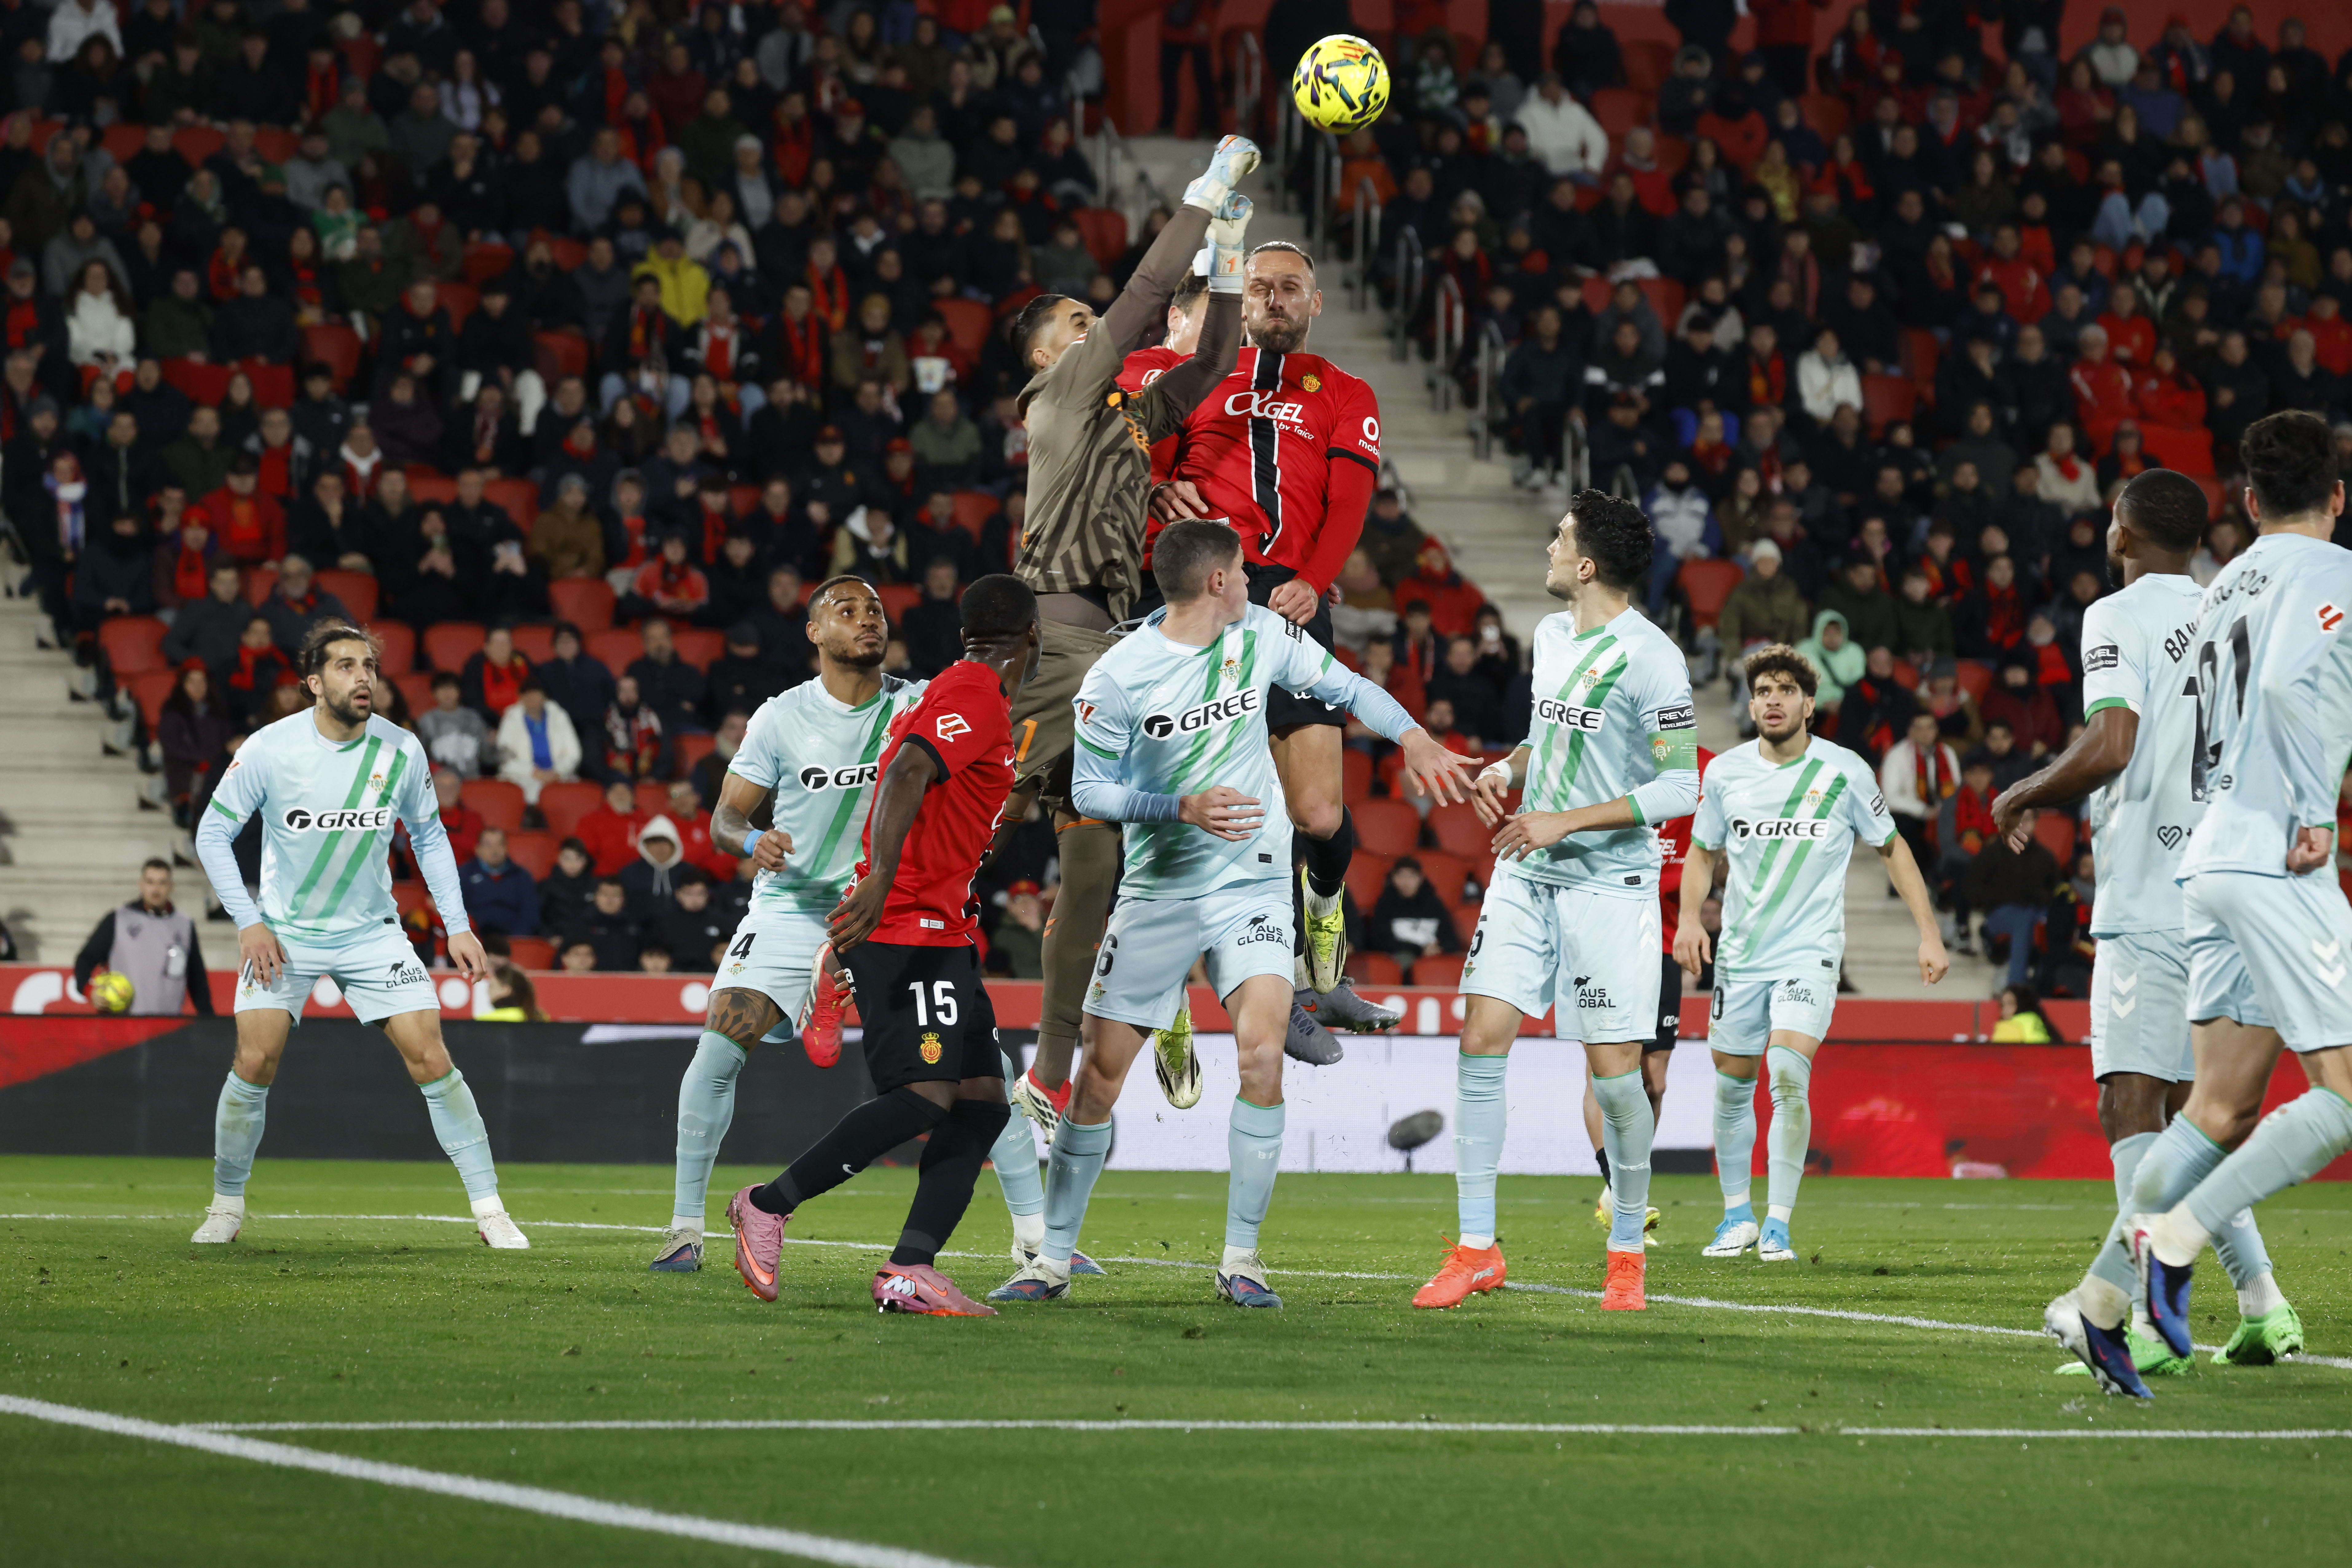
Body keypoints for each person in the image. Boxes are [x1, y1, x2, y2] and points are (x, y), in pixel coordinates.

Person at [989, 521, 1475, 1307]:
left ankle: (1241, 1260)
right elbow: (1089, 794)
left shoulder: (1262, 636)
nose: (1253, 580)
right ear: (1216, 581)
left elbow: (1348, 689)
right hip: (1157, 892)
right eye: (1243, 571)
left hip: (1250, 888)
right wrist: (1176, 806)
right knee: (1097, 1085)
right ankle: (1049, 1261)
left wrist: (1413, 738)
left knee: (1258, 1058)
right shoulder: (1119, 676)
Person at [2030, 418, 2350, 1396]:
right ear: (2335, 497)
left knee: (2214, 1109)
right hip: (2270, 854)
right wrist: (2308, 808)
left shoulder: (2228, 588)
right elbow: (2301, 690)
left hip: (2201, 863)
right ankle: (2171, 1240)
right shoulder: (2329, 580)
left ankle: (2095, 1305)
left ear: (2248, 504)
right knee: (2340, 1097)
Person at [1000, 135, 1255, 1140]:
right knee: (986, 820)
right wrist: (1208, 189)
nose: (1090, 326)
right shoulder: (1056, 396)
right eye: (1075, 321)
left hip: (1113, 653)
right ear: (1046, 355)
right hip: (1052, 644)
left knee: (1098, 862)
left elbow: (1216, 359)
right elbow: (1151, 292)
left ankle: (1052, 1070)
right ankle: (845, 952)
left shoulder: (1125, 417)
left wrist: (1228, 254)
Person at [1414, 492, 1699, 1315]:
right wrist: (1509, 769)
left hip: (1610, 887)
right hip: (1530, 876)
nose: (1547, 547)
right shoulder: (1548, 636)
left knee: (1617, 1080)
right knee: (1481, 1036)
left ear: (1586, 567)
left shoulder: (1654, 659)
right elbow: (1556, 738)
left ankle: (1625, 1257)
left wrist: (1561, 821)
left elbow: (1680, 783)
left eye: (1560, 539)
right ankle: (1475, 1249)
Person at [726, 574, 1041, 1316]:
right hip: (905, 925)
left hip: (944, 927)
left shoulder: (965, 691)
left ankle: (910, 1268)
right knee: (925, 1095)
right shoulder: (971, 693)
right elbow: (906, 771)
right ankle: (768, 1204)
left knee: (982, 1101)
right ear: (1033, 638)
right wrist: (878, 885)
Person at [1136, 237, 1401, 1058]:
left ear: (1316, 304)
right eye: (1261, 287)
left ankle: (1324, 905)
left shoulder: (1346, 392)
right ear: (1237, 301)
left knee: (1318, 812)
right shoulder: (1188, 378)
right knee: (1223, 815)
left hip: (1289, 595)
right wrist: (1152, 490)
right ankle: (1208, 985)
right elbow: (1145, 475)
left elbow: (1350, 503)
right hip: (1200, 600)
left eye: (1292, 288)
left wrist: (1316, 581)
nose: (1276, 299)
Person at [187, 621, 525, 1249]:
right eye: (345, 665)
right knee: (255, 1059)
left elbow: (428, 836)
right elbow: (211, 834)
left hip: (373, 931)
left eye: (369, 664)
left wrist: (457, 925)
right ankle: (226, 1204)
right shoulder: (269, 748)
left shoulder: (402, 748)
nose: (363, 675)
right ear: (314, 683)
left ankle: (491, 1210)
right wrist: (250, 921)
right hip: (285, 931)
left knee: (432, 1056)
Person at [648, 577, 927, 1270]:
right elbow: (724, 818)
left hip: (887, 911)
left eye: (876, 611)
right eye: (847, 610)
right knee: (718, 1050)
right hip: (794, 908)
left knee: (978, 1068)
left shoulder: (919, 706)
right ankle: (685, 1229)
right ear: (814, 633)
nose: (868, 620)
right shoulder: (779, 717)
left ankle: (1044, 1245)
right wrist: (751, 841)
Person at [1679, 645, 1948, 1265]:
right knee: (1731, 1085)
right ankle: (1736, 1216)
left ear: (1810, 703)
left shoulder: (1845, 770)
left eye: (1785, 690)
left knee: (1787, 1072)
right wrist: (1690, 919)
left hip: (1809, 952)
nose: (1772, 699)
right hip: (1742, 954)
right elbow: (1701, 852)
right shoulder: (1725, 773)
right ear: (1750, 705)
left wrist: (1929, 932)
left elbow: (1892, 847)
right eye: (1763, 690)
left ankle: (1778, 1221)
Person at [73, 859, 213, 1017]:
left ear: (171, 887)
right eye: (150, 882)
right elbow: (85, 959)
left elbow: (197, 978)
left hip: (169, 1028)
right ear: (141, 884)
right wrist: (89, 990)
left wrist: (208, 1020)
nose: (156, 889)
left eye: (162, 883)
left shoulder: (184, 925)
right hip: (125, 1023)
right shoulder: (119, 919)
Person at [460, 826, 538, 937]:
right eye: (488, 845)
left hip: (513, 940)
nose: (495, 850)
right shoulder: (464, 875)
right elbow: (459, 911)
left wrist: (517, 938)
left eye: (499, 845)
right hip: (475, 938)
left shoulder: (522, 877)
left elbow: (530, 913)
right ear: (478, 849)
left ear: (507, 848)